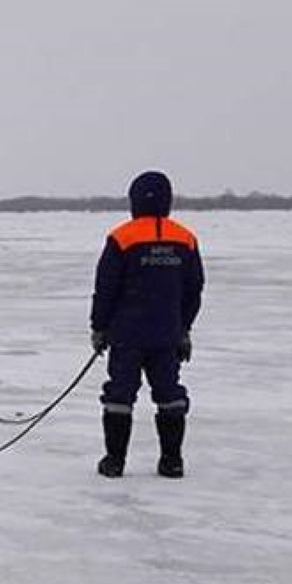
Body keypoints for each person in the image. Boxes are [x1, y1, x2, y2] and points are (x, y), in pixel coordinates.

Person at [90, 171, 204, 478]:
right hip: (167, 335)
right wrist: (183, 328)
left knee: (119, 397)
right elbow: (194, 290)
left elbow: (106, 288)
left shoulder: (121, 238)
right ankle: (172, 461)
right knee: (169, 395)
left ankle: (114, 461)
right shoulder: (185, 239)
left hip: (127, 335)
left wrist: (99, 328)